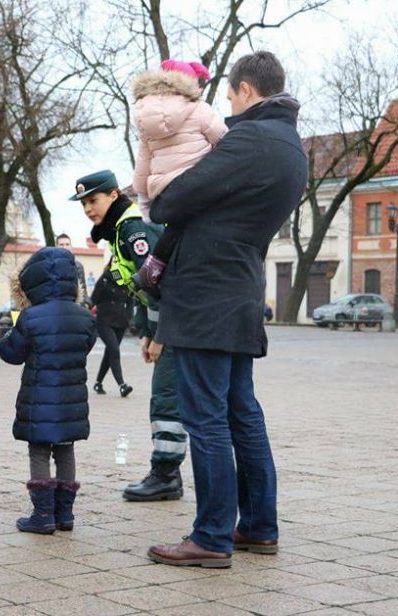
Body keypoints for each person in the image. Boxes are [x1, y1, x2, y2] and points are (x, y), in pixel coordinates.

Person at [146, 51, 308, 568]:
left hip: (206, 295)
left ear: (243, 89)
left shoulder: (250, 140)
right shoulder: (290, 146)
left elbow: (171, 202)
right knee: (242, 415)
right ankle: (259, 526)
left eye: (231, 95)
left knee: (207, 419)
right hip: (239, 290)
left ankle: (212, 535)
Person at [73, 170, 188, 502]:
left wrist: (160, 335)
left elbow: (165, 282)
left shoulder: (133, 229)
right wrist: (145, 332)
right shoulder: (121, 230)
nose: (88, 209)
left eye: (93, 200)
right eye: (83, 204)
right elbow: (143, 288)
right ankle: (169, 473)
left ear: (113, 195)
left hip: (177, 326)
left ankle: (166, 475)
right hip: (170, 325)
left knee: (166, 398)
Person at [0, 247, 96, 534]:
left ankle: (43, 514)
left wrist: (10, 330)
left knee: (39, 452)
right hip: (72, 401)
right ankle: (65, 514)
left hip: (40, 400)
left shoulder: (31, 317)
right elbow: (86, 347)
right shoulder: (84, 317)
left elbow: (11, 353)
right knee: (66, 451)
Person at [130, 59, 227, 293]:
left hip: (164, 190)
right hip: (197, 184)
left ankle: (152, 268)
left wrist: (143, 197)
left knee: (176, 226)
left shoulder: (144, 117)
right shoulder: (199, 109)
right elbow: (225, 141)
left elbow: (143, 162)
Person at [89, 266, 133, 397]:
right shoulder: (105, 280)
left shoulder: (127, 280)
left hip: (120, 322)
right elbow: (93, 299)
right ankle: (122, 385)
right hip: (104, 322)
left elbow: (130, 300)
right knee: (114, 349)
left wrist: (128, 316)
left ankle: (98, 382)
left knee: (110, 353)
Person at [55, 233, 90, 307]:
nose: (65, 247)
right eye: (61, 244)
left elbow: (83, 291)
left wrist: (86, 304)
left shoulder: (78, 266)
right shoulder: (50, 265)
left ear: (71, 246)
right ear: (56, 247)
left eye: (67, 244)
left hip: (75, 306)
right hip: (57, 305)